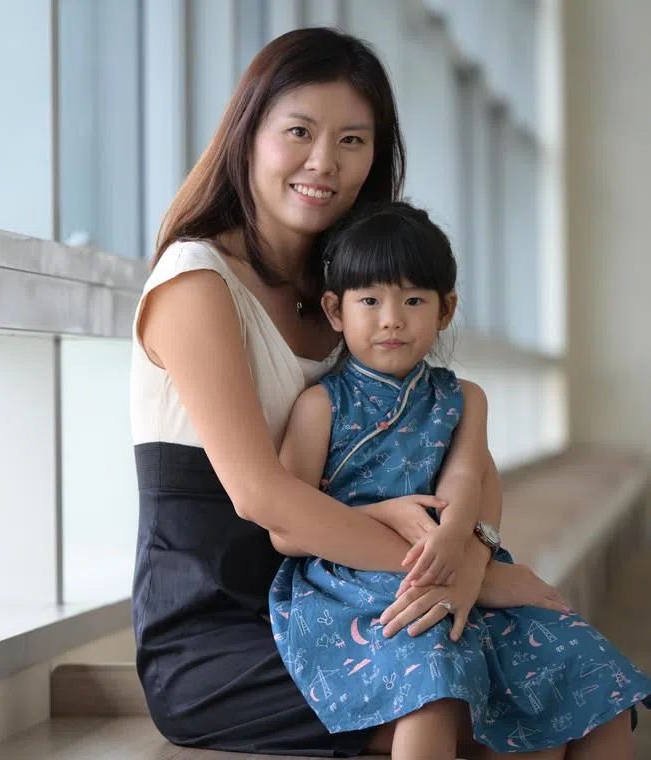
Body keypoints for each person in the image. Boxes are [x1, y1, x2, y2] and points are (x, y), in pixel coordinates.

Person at [131, 27, 636, 758]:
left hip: (354, 594)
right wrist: (463, 576)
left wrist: (475, 556)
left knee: (580, 692)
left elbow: (467, 451)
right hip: (222, 628)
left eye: (353, 141)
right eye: (299, 132)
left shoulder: (352, 296)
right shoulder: (196, 283)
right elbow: (261, 499)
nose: (323, 163)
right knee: (478, 708)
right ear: (247, 137)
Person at [269, 201, 651, 760]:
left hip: (458, 556)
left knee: (591, 676)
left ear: (446, 310)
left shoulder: (463, 398)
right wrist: (380, 516)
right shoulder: (319, 406)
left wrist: (455, 540)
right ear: (334, 309)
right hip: (349, 587)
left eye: (414, 300)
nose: (392, 318)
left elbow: (467, 474)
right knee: (435, 679)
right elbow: (287, 528)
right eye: (370, 300)